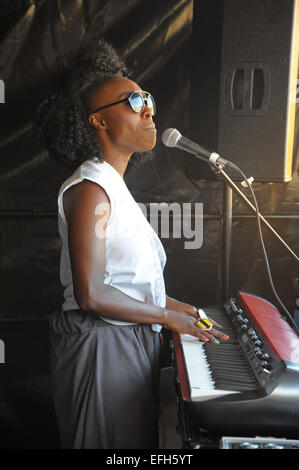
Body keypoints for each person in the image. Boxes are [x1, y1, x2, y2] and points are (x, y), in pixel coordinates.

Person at [34, 37, 229, 449]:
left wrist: (183, 310)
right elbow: (91, 294)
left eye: (149, 100)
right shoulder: (90, 189)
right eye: (134, 102)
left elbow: (128, 284)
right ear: (98, 121)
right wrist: (168, 317)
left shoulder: (114, 188)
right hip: (103, 344)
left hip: (129, 338)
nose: (149, 110)